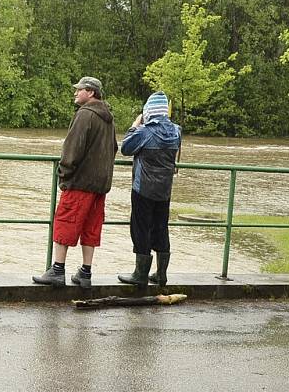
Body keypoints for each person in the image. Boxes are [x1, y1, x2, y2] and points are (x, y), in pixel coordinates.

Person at [32, 76, 118, 288]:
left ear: (90, 93)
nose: (75, 93)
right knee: (91, 227)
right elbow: (114, 148)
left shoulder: (85, 115)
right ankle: (85, 273)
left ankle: (57, 270)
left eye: (79, 90)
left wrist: (64, 173)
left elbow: (72, 149)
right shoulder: (108, 117)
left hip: (80, 182)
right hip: (101, 184)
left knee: (65, 222)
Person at [117, 91, 181, 288]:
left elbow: (126, 149)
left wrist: (134, 125)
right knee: (161, 228)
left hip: (143, 188)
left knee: (141, 228)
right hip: (165, 190)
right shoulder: (177, 130)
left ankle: (140, 274)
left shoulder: (145, 132)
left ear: (148, 111)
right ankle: (161, 274)